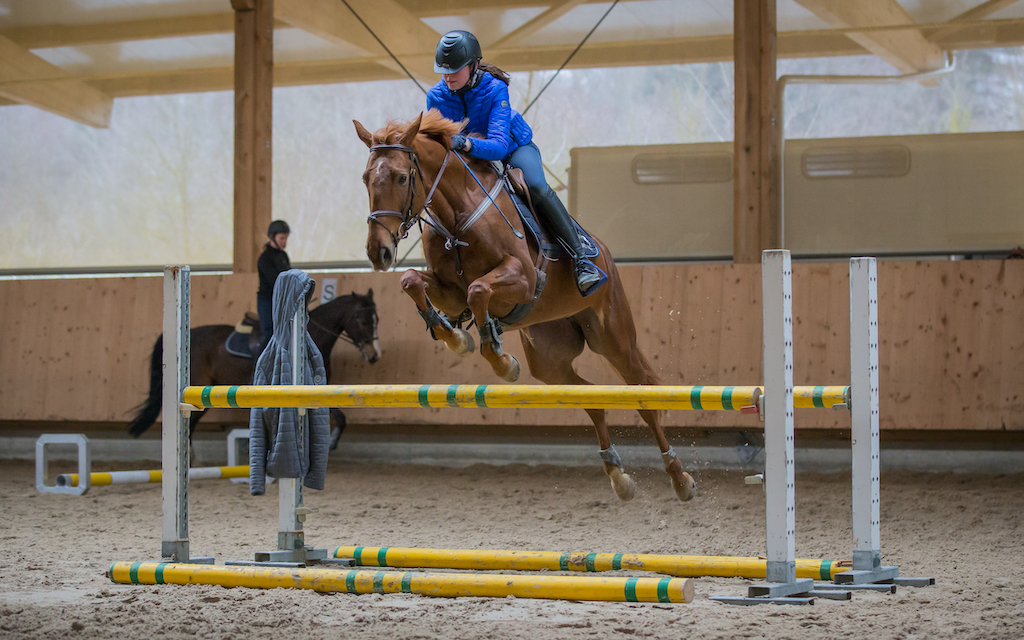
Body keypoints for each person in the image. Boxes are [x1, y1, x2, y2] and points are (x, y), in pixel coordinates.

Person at [426, 30, 607, 297]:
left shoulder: (495, 88)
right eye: (443, 71)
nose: (448, 76)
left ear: (474, 66)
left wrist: (464, 144)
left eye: (455, 69)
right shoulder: (436, 96)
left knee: (536, 186)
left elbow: (498, 146)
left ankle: (581, 259)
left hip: (512, 150)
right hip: (467, 161)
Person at [256, 220, 291, 354]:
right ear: (272, 237)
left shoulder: (283, 256)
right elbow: (275, 281)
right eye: (282, 238)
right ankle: (257, 367)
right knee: (268, 331)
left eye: (286, 238)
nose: (284, 241)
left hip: (282, 299)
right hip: (267, 300)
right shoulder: (265, 258)